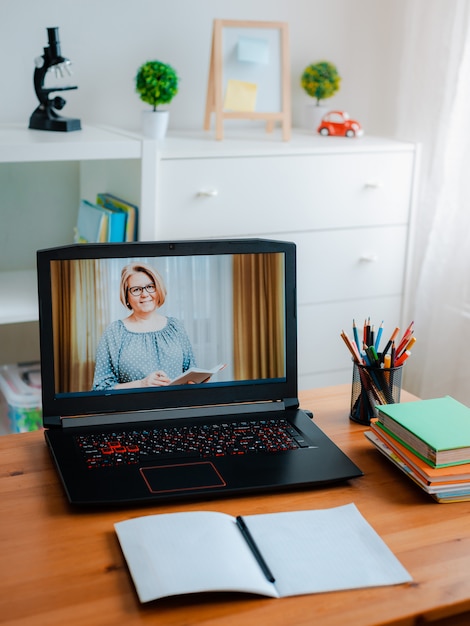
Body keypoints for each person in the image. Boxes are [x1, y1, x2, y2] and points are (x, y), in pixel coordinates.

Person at [92, 262, 196, 390]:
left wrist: (196, 382)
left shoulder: (175, 326)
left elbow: (190, 373)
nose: (145, 294)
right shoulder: (114, 332)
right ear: (126, 296)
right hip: (133, 409)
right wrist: (142, 384)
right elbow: (100, 388)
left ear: (158, 289)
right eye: (136, 290)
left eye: (150, 287)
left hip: (177, 407)